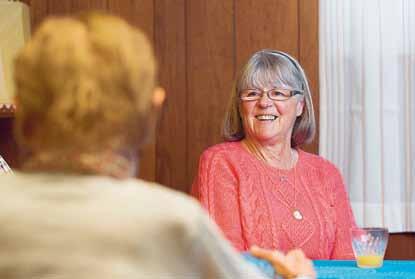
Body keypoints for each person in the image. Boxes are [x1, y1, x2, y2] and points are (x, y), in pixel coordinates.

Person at [0, 14, 315, 279]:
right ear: (153, 110)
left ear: (20, 108)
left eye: (278, 93)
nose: (264, 102)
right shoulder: (175, 224)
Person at [192, 49, 357, 259]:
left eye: (278, 93)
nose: (264, 102)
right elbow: (225, 262)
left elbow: (348, 260)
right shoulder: (220, 163)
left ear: (300, 106)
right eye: (252, 93)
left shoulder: (326, 173)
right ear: (240, 108)